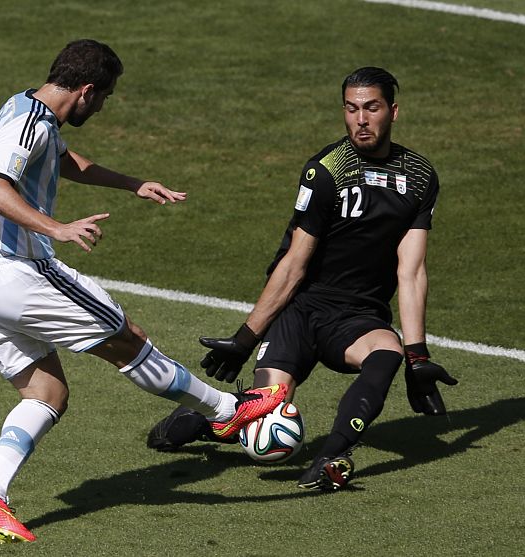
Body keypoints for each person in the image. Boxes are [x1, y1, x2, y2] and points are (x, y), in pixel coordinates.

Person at [0, 39, 286, 543]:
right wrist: (58, 227)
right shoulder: (28, 125)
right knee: (128, 337)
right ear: (86, 90)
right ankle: (227, 412)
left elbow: (63, 162)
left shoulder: (27, 110)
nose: (104, 106)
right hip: (16, 273)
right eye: (105, 96)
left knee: (48, 394)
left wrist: (133, 184)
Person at [147, 66, 457, 492]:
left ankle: (334, 455)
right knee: (265, 419)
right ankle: (205, 422)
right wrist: (245, 337)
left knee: (388, 352)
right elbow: (293, 263)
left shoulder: (420, 176)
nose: (360, 120)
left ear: (393, 111)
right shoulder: (327, 169)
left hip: (357, 316)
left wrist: (417, 356)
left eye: (371, 108)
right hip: (302, 307)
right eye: (351, 109)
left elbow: (412, 269)